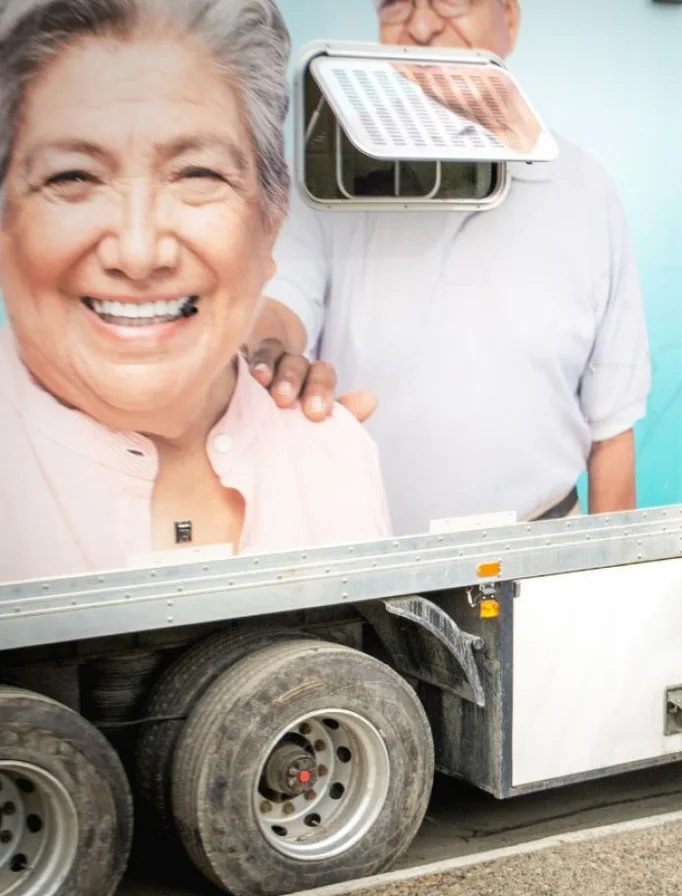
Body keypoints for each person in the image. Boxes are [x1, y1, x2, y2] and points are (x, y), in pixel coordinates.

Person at [0, 0, 391, 585]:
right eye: (72, 176)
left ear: (272, 216)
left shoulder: (333, 456)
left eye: (197, 175)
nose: (137, 253)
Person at [247, 0, 651, 533]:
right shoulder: (328, 179)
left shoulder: (585, 190)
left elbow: (611, 427)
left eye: (450, 0)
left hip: (542, 548)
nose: (419, 24)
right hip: (368, 561)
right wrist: (268, 351)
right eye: (395, 4)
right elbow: (280, 305)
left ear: (510, 17)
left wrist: (609, 590)